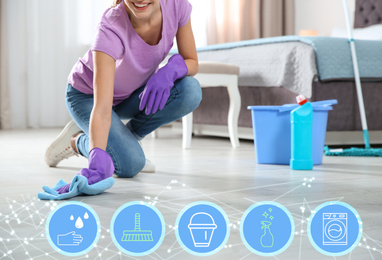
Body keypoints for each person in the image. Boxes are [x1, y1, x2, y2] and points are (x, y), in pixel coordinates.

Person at [43, 0, 202, 195]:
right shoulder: (110, 27)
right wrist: (97, 162)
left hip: (130, 93)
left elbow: (192, 61)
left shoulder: (176, 6)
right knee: (131, 164)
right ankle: (77, 141)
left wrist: (171, 70)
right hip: (87, 97)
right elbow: (101, 108)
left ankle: (124, 142)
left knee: (190, 90)